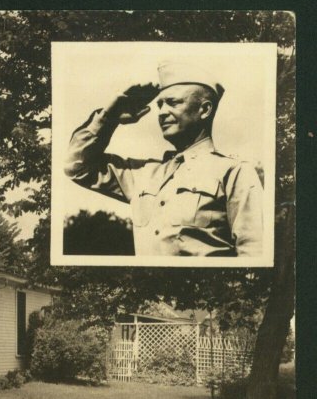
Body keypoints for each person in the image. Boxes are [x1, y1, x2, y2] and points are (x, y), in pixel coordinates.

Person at [64, 61, 264, 257]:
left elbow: (253, 251)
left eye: (173, 102)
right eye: (159, 104)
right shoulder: (144, 174)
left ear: (204, 110)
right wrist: (110, 117)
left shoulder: (234, 172)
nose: (161, 113)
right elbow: (77, 167)